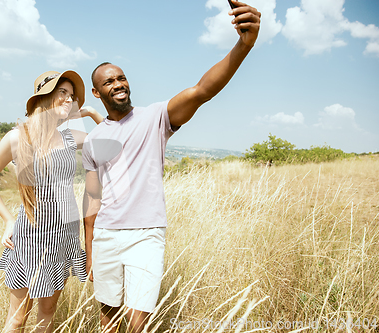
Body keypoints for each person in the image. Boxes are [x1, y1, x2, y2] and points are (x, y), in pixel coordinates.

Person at [82, 1, 261, 332]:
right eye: (109, 82)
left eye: (122, 77)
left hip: (146, 234)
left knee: (138, 322)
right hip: (105, 235)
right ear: (96, 92)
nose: (118, 84)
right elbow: (91, 199)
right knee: (107, 320)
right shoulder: (95, 139)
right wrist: (89, 250)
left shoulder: (155, 117)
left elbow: (201, 91)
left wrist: (244, 44)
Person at [0, 70, 103, 333]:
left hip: (64, 234)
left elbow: (109, 142)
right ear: (43, 99)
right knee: (17, 318)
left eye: (72, 96)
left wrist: (91, 113)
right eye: (62, 93)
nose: (69, 100)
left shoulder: (70, 138)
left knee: (47, 311)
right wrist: (8, 220)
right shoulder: (17, 137)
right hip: (30, 235)